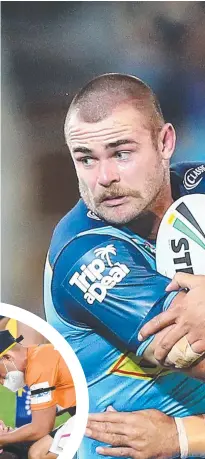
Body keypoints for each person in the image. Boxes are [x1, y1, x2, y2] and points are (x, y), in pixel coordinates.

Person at [44, 73, 205, 459]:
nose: (105, 179)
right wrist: (184, 438)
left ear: (165, 142)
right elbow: (195, 358)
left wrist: (182, 436)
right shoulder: (84, 254)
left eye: (121, 153)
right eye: (86, 159)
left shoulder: (199, 186)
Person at [0, 330, 76, 449]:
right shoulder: (38, 353)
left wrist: (3, 438)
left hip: (91, 411)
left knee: (38, 452)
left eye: (0, 376)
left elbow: (41, 428)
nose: (1, 382)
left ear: (7, 357)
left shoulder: (37, 368)